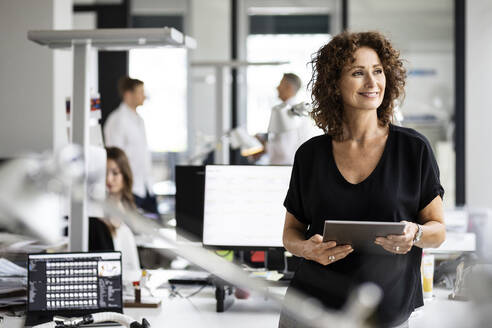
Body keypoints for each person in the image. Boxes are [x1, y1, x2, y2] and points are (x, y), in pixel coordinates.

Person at [280, 31, 446, 328]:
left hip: (385, 315)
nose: (372, 83)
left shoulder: (413, 149)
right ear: (334, 84)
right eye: (358, 73)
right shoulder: (310, 155)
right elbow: (291, 233)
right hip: (310, 310)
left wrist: (415, 233)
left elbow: (438, 230)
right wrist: (307, 248)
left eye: (378, 71)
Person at [103, 76, 158, 216]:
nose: (144, 96)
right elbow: (115, 158)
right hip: (131, 189)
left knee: (154, 227)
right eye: (140, 92)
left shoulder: (138, 119)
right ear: (128, 95)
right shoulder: (117, 120)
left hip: (145, 186)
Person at [89, 147, 141, 281]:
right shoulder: (95, 214)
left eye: (115, 173)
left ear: (125, 175)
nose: (108, 179)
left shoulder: (129, 209)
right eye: (104, 173)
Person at [265, 73, 320, 165]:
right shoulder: (294, 110)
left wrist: (264, 146)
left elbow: (284, 151)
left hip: (285, 167)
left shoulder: (289, 112)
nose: (277, 88)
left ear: (288, 87)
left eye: (280, 84)